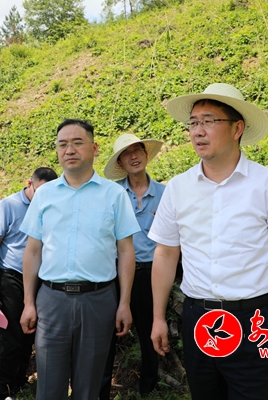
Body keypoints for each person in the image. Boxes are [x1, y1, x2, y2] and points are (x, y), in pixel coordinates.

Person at [148, 83, 268, 400]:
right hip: (200, 320)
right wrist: (157, 318)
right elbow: (165, 254)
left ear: (237, 129)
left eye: (209, 121)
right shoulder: (178, 188)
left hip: (255, 320)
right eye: (193, 122)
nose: (198, 131)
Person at [19, 119, 140, 400]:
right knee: (49, 387)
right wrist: (28, 302)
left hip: (98, 300)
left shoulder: (114, 195)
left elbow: (126, 251)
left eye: (77, 142)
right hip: (52, 300)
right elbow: (33, 251)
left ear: (94, 148)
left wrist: (124, 303)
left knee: (89, 387)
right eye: (62, 144)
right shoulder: (45, 194)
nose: (69, 150)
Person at [0, 167, 58, 400]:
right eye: (40, 190)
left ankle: (20, 380)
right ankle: (4, 390)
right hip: (12, 276)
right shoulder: (9, 206)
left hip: (41, 277)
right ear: (29, 184)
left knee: (30, 331)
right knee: (11, 333)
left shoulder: (53, 206)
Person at [100, 133, 165, 398]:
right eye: (126, 154)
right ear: (120, 163)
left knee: (151, 329)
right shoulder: (112, 194)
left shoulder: (164, 193)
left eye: (138, 150)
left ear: (146, 155)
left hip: (152, 272)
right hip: (117, 271)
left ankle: (149, 387)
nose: (134, 156)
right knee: (107, 332)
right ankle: (102, 389)